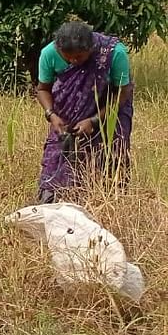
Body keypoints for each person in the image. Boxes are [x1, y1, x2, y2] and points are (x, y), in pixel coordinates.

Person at [34, 21, 134, 204]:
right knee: (58, 158)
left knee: (109, 157)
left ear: (91, 48)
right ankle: (54, 204)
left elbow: (123, 92)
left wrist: (95, 121)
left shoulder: (113, 53)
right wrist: (52, 115)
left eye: (79, 57)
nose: (73, 61)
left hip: (110, 109)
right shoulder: (49, 53)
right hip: (68, 115)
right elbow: (43, 89)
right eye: (68, 57)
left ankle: (107, 205)